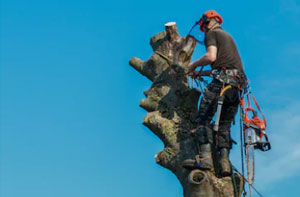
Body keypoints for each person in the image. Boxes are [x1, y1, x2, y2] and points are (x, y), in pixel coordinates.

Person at [183, 10, 247, 176]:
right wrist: (201, 74)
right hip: (236, 86)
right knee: (224, 124)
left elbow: (211, 57)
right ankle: (225, 163)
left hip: (222, 83)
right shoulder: (227, 37)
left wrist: (193, 66)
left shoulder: (212, 33)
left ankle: (205, 160)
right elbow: (224, 67)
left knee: (202, 119)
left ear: (208, 20)